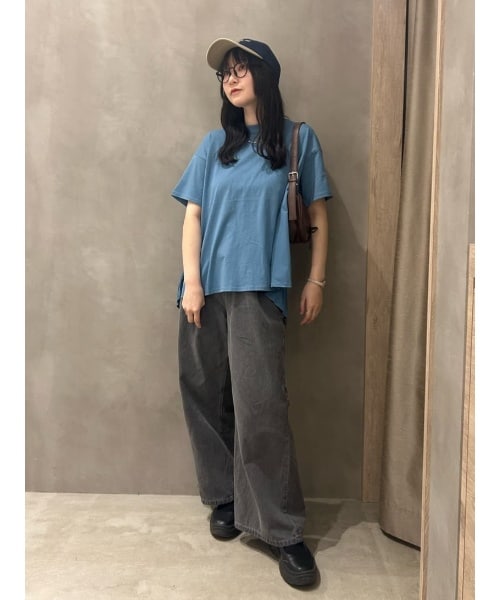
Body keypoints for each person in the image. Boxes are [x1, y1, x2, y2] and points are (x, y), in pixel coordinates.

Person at [172, 37, 331, 587]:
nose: (231, 79)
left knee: (260, 406)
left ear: (266, 75)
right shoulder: (214, 145)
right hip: (204, 291)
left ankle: (281, 530)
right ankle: (225, 497)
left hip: (260, 288)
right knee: (204, 393)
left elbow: (317, 215)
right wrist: (192, 284)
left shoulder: (296, 139)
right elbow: (193, 217)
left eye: (240, 69)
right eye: (225, 73)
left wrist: (316, 280)